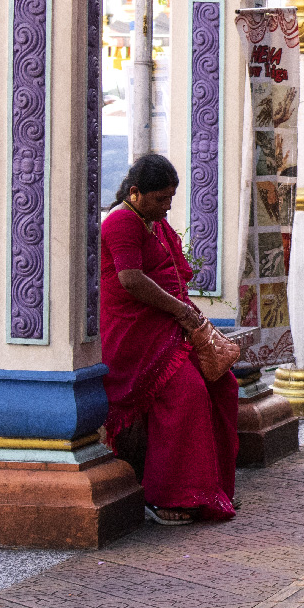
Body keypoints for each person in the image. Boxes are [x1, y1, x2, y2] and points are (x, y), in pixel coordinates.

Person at [101, 155, 238, 525]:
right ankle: (166, 497)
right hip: (136, 333)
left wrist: (186, 315)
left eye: (170, 199)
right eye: (160, 199)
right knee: (187, 394)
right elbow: (130, 278)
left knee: (223, 384)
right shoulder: (121, 222)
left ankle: (211, 489)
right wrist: (180, 310)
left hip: (169, 327)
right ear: (134, 193)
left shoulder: (150, 221)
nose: (167, 208)